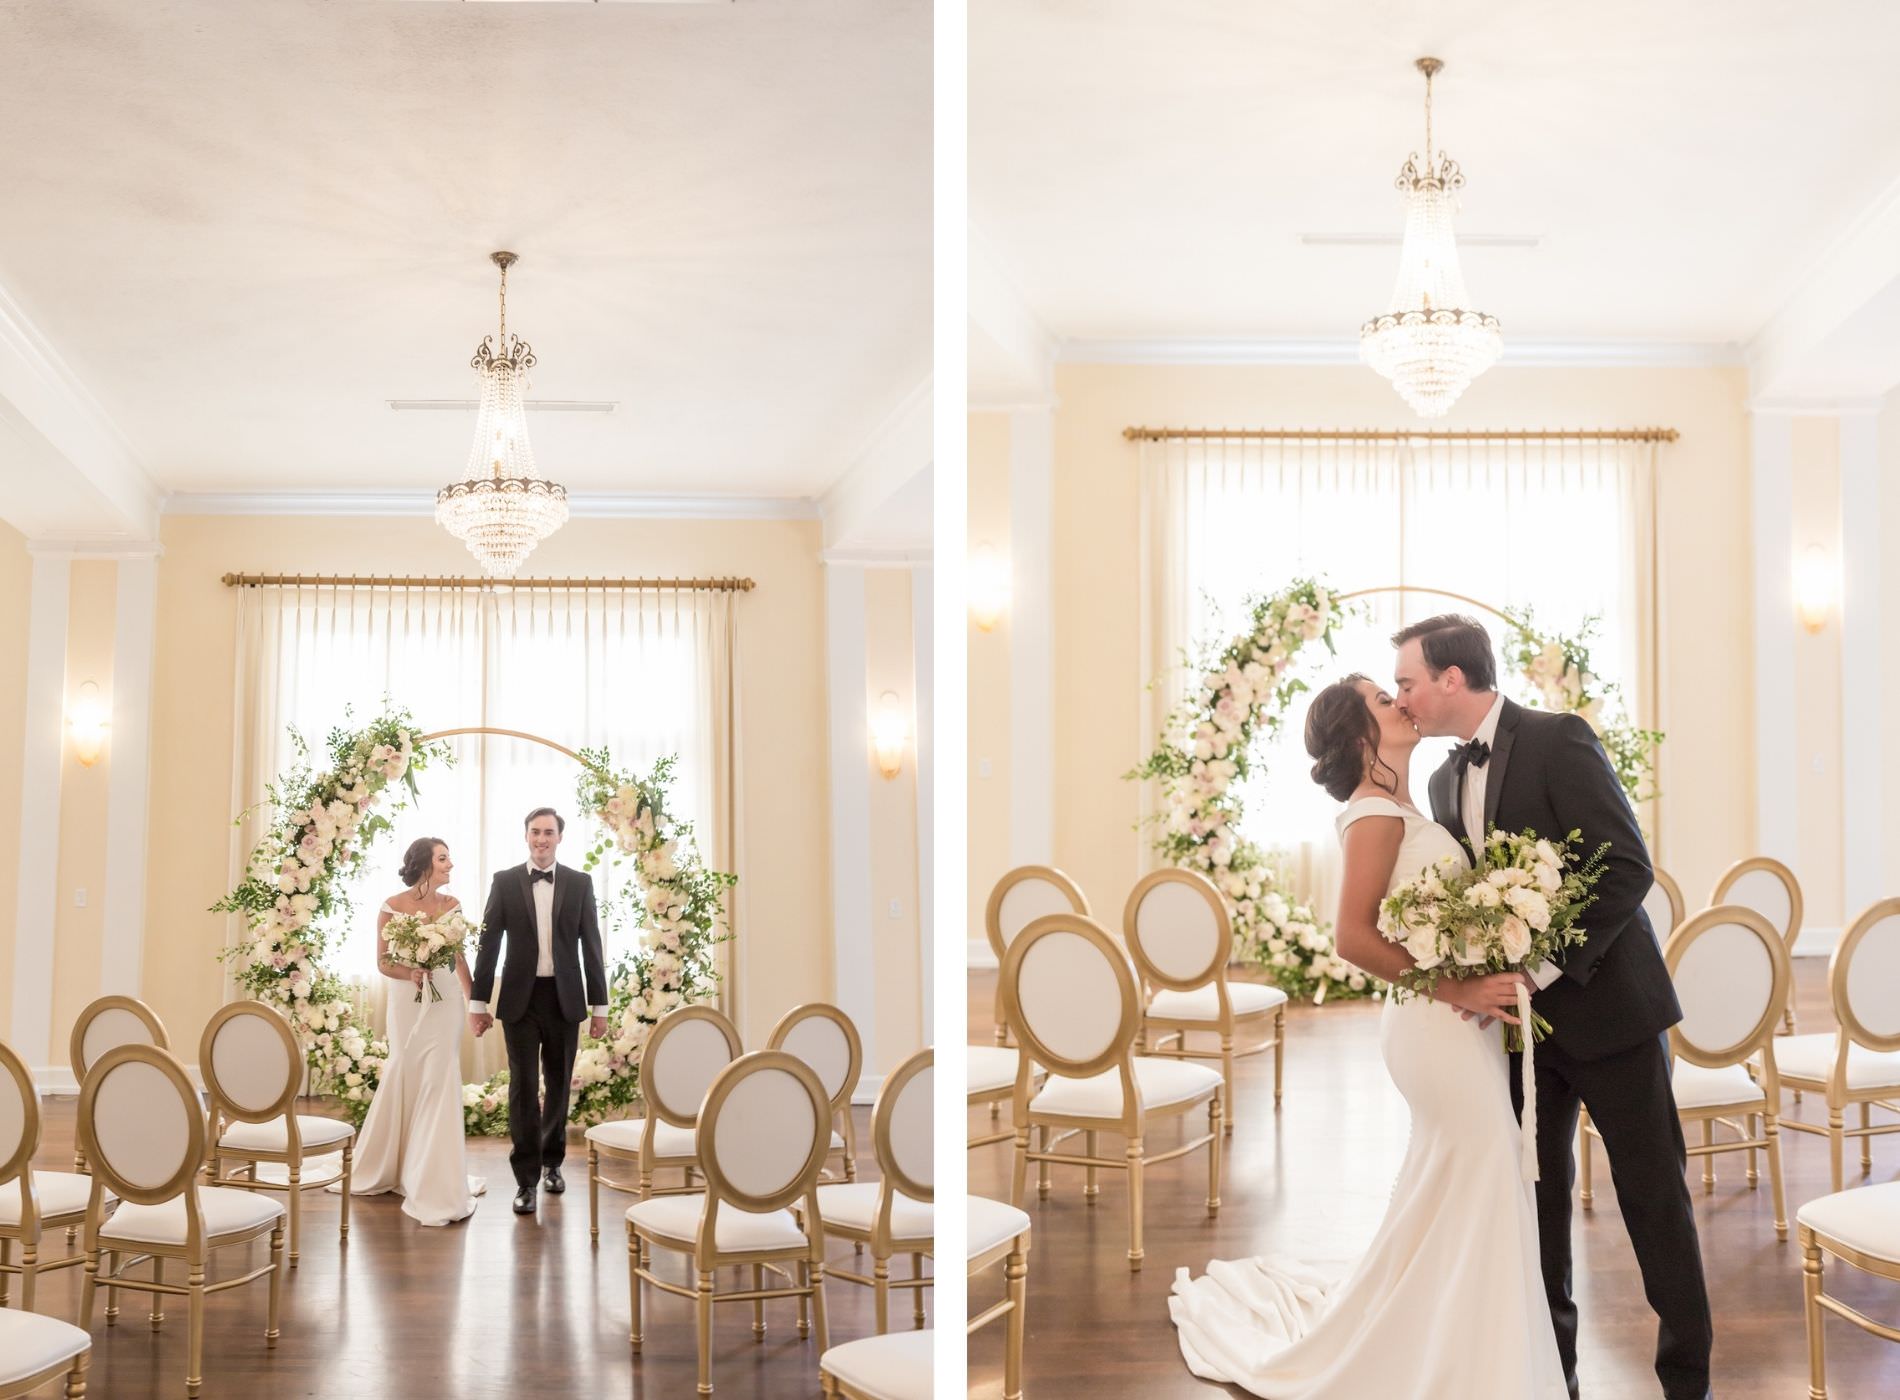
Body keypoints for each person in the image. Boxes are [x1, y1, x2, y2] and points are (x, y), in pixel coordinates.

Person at [1168, 674, 1566, 1398]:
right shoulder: (1373, 814)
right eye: (1386, 700)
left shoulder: (1406, 804)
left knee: (1462, 1180)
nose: (1402, 703)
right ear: (1361, 738)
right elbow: (1350, 938)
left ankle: (1462, 1347)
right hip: (1432, 1027)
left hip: (1452, 1027)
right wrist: (1460, 986)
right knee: (1487, 1165)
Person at [1394, 615, 1711, 1400]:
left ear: (1452, 679)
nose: (1402, 699)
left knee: (1653, 1200)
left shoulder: (1557, 737)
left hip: (1612, 1016)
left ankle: (1687, 1384)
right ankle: (1554, 1377)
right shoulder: (1439, 782)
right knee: (1536, 1209)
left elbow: (1627, 866)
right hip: (1519, 1037)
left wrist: (1538, 968)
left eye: (1407, 682)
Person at [468, 807, 608, 1216]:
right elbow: (488, 945)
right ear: (525, 836)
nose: (541, 839)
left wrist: (599, 1006)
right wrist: (478, 1003)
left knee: (559, 1084)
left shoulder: (580, 884)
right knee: (523, 1088)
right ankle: (525, 1180)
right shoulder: (505, 882)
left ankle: (553, 1164)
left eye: (548, 832)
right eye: (535, 832)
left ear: (559, 837)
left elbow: (592, 947)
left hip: (564, 998)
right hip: (519, 1000)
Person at [348, 836, 483, 1227]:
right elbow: (383, 962)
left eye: (449, 857)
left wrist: (475, 1001)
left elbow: (458, 957)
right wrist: (411, 973)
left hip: (445, 1007)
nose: (450, 865)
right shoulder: (392, 907)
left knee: (439, 1079)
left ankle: (433, 1177)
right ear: (425, 864)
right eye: (443, 858)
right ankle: (395, 1165)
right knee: (405, 1071)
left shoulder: (452, 906)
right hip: (407, 1003)